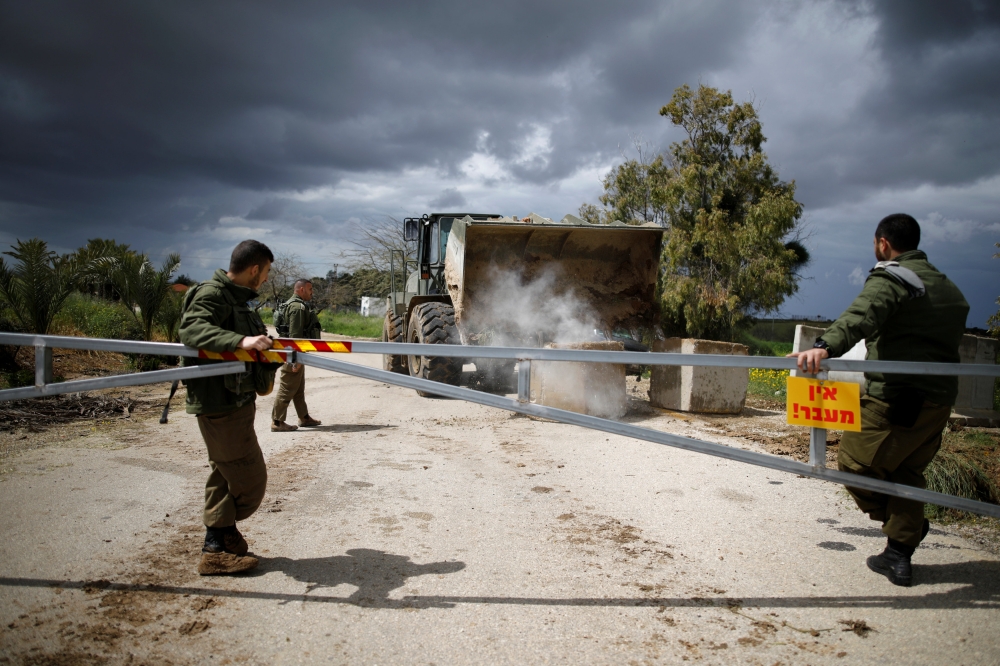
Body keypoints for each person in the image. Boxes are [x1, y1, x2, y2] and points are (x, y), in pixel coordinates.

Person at [790, 214, 969, 587]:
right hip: (938, 402)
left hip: (897, 398)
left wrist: (823, 347)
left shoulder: (895, 277)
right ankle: (898, 555)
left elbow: (861, 316)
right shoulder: (947, 286)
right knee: (905, 471)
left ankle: (908, 527)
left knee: (853, 463)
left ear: (883, 243)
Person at [179, 240, 279, 575]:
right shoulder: (211, 294)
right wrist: (241, 341)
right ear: (254, 269)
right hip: (219, 402)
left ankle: (218, 544)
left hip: (236, 400)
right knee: (250, 481)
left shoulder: (240, 301)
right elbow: (192, 330)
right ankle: (218, 538)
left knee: (223, 473)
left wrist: (277, 358)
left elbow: (254, 352)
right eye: (264, 273)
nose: (264, 280)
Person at [271, 278, 323, 432]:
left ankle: (304, 417)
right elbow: (295, 337)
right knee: (287, 387)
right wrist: (296, 359)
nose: (312, 293)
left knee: (298, 388)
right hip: (293, 353)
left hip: (294, 353)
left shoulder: (292, 304)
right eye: (310, 289)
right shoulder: (298, 308)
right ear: (301, 290)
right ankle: (277, 421)